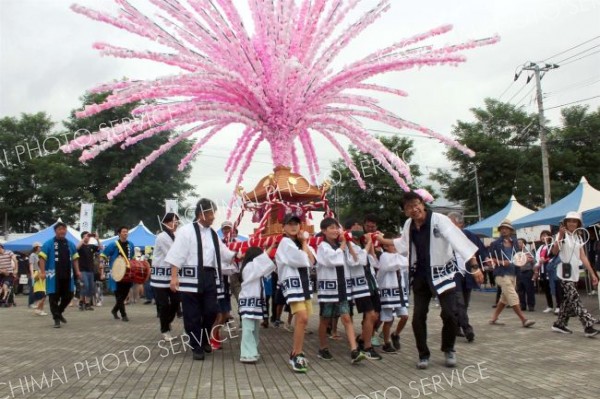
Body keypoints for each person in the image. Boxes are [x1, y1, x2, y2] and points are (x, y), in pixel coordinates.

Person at [376, 191, 482, 369]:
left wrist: (474, 265)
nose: (414, 209)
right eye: (409, 207)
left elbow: (458, 240)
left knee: (449, 314)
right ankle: (423, 354)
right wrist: (382, 239)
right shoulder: (409, 224)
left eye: (416, 204)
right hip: (420, 276)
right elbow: (402, 243)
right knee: (418, 317)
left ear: (422, 204)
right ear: (405, 211)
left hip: (443, 273)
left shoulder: (439, 220)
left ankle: (449, 349)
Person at [167, 198, 237, 361]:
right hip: (191, 277)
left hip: (209, 277)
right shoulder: (186, 231)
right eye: (211, 213)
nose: (213, 217)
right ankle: (196, 345)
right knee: (192, 314)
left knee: (211, 311)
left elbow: (224, 252)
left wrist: (239, 255)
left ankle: (205, 338)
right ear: (201, 214)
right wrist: (174, 277)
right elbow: (177, 254)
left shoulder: (213, 234)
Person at [315, 217, 366, 364]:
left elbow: (355, 261)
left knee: (346, 318)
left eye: (336, 227)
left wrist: (348, 244)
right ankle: (323, 347)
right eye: (331, 228)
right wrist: (343, 244)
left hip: (342, 286)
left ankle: (354, 350)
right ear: (324, 231)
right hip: (329, 289)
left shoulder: (341, 245)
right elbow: (332, 260)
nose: (335, 230)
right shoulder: (322, 246)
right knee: (325, 320)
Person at [275, 214, 316, 373]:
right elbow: (301, 259)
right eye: (290, 224)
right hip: (292, 284)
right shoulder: (285, 242)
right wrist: (305, 247)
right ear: (283, 227)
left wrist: (305, 242)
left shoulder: (300, 243)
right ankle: (295, 353)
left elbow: (313, 261)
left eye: (296, 224)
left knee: (303, 321)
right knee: (302, 318)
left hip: (304, 284)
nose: (293, 227)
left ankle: (297, 351)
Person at [551, 212, 599, 337]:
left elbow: (583, 257)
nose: (572, 223)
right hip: (563, 274)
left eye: (575, 221)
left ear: (578, 223)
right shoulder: (561, 235)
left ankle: (559, 324)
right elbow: (554, 251)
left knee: (569, 300)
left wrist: (592, 274)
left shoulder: (578, 237)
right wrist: (560, 236)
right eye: (570, 221)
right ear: (565, 222)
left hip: (574, 273)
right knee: (576, 299)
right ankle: (588, 325)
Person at [447, 212, 489, 343]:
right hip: (453, 274)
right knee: (458, 302)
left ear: (461, 224)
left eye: (452, 223)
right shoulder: (445, 237)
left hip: (468, 273)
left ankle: (456, 326)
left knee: (464, 303)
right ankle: (467, 329)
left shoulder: (469, 236)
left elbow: (480, 251)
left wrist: (487, 260)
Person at [344, 219, 382, 360]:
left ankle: (362, 339)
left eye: (360, 226)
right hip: (359, 285)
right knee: (370, 314)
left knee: (375, 315)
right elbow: (356, 261)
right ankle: (367, 346)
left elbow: (374, 261)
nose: (359, 228)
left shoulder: (362, 242)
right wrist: (368, 245)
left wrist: (369, 245)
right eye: (356, 226)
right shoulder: (349, 245)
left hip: (371, 282)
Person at [488, 220, 536, 329]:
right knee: (513, 295)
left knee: (504, 298)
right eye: (502, 228)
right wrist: (501, 262)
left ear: (510, 230)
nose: (504, 230)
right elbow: (489, 258)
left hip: (513, 273)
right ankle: (524, 319)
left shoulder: (515, 243)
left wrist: (524, 258)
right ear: (500, 230)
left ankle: (494, 317)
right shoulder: (495, 244)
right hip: (501, 274)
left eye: (506, 228)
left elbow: (517, 257)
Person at [38, 222, 81, 328]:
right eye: (60, 229)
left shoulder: (70, 244)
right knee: (53, 298)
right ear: (55, 231)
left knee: (69, 295)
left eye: (64, 229)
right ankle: (56, 319)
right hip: (53, 276)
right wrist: (43, 272)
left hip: (68, 275)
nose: (62, 231)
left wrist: (78, 271)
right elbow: (42, 258)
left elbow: (75, 259)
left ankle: (59, 312)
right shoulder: (48, 243)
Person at [238, 246, 276, 363]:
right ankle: (246, 354)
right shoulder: (249, 267)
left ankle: (252, 351)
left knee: (255, 329)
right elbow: (262, 261)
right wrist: (272, 246)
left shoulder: (254, 267)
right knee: (248, 329)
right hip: (248, 301)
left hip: (255, 302)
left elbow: (265, 265)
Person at [375, 236, 409, 354]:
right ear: (385, 246)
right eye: (392, 244)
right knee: (388, 319)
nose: (395, 247)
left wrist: (401, 260)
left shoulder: (399, 256)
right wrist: (401, 261)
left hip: (399, 291)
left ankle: (396, 334)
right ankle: (386, 342)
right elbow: (390, 266)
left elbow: (406, 264)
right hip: (388, 291)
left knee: (405, 316)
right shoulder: (384, 256)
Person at [152, 212, 181, 341]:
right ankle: (165, 329)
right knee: (163, 305)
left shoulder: (176, 236)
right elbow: (172, 254)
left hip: (172, 275)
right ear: (167, 222)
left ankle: (167, 323)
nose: (176, 224)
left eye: (177, 222)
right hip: (160, 277)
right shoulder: (162, 237)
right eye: (174, 221)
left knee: (176, 302)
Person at [102, 226, 135, 322]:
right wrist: (102, 268)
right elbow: (103, 255)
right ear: (119, 233)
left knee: (124, 295)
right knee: (119, 295)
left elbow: (132, 257)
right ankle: (124, 315)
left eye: (127, 232)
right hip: (116, 273)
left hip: (127, 273)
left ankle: (114, 310)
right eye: (124, 232)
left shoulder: (131, 244)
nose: (126, 233)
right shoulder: (113, 245)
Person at [77, 231, 101, 311]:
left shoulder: (91, 246)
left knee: (90, 287)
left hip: (91, 270)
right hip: (82, 270)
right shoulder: (81, 246)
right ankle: (81, 302)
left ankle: (87, 303)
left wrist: (97, 239)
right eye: (85, 236)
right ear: (83, 237)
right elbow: (77, 248)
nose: (87, 237)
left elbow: (100, 248)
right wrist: (83, 239)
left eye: (88, 236)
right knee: (85, 286)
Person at [534, 230, 555, 313]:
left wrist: (545, 260)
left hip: (551, 269)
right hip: (542, 269)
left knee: (554, 287)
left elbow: (553, 256)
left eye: (545, 235)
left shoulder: (552, 246)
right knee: (546, 288)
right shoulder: (541, 247)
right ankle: (550, 305)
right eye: (542, 236)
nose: (543, 237)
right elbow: (537, 258)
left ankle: (559, 306)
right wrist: (538, 264)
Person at [516, 238, 536, 312]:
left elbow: (534, 262)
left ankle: (531, 305)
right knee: (520, 290)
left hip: (527, 272)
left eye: (520, 243)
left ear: (524, 244)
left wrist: (535, 272)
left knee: (529, 289)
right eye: (518, 243)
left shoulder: (528, 252)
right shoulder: (516, 252)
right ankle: (522, 305)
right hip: (519, 272)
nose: (518, 244)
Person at [29, 242, 47, 315]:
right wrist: (32, 274)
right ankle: (38, 309)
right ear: (36, 247)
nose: (40, 248)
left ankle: (40, 310)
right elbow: (31, 265)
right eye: (39, 246)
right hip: (36, 273)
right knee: (42, 297)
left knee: (43, 297)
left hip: (41, 274)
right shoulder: (33, 255)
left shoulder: (40, 255)